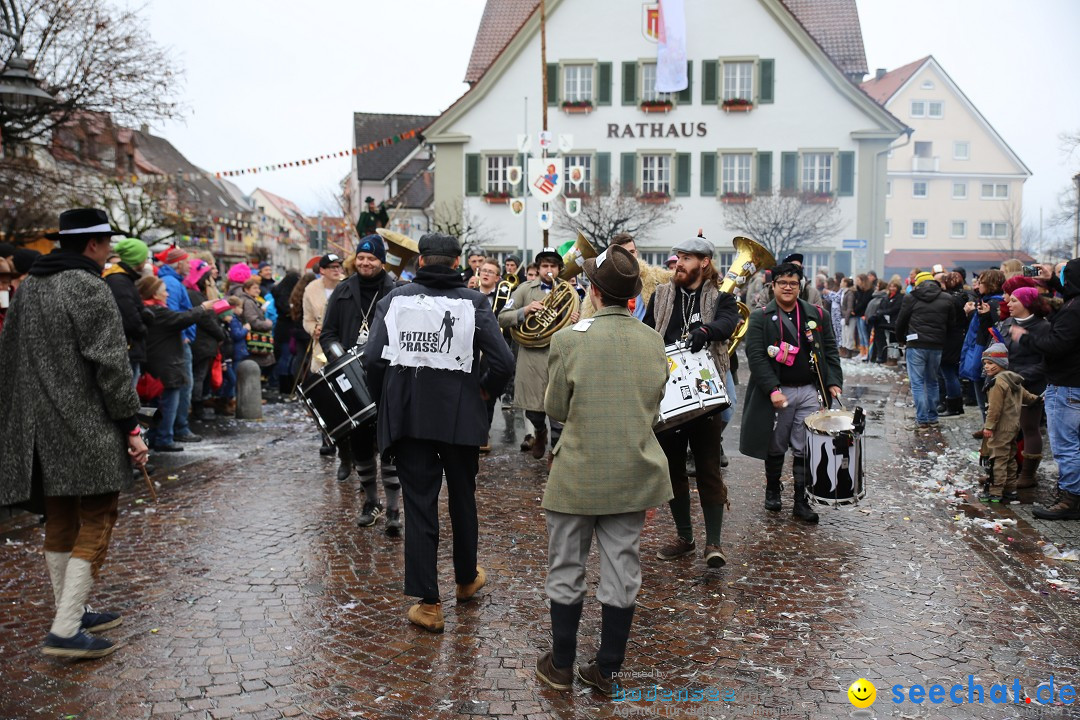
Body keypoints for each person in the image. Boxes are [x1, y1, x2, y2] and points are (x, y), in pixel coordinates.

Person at [0, 208, 148, 659]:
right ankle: (66, 627)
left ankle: (74, 611)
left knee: (61, 516)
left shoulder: (28, 289)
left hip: (35, 427)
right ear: (93, 245)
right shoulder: (88, 287)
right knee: (99, 515)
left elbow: (8, 358)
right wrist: (132, 427)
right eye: (107, 244)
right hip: (83, 425)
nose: (110, 253)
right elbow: (111, 366)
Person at [534, 244, 671, 697]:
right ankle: (607, 669)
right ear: (631, 295)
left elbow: (555, 407)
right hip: (633, 469)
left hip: (577, 471)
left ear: (593, 291)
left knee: (566, 566)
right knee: (621, 569)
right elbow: (653, 408)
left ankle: (561, 664)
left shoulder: (569, 338)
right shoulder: (653, 340)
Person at [361, 232, 514, 633]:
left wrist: (388, 396)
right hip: (460, 418)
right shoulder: (473, 300)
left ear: (421, 261)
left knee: (419, 504)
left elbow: (373, 358)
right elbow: (502, 361)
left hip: (410, 417)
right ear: (458, 261)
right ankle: (465, 578)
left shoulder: (396, 298)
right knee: (463, 497)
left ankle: (429, 604)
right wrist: (483, 389)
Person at [643, 236, 740, 565]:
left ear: (704, 263)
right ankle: (685, 536)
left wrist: (707, 331)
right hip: (667, 396)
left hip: (706, 399)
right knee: (672, 470)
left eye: (686, 257)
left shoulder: (721, 298)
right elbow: (645, 330)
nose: (679, 262)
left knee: (709, 469)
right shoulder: (660, 296)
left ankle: (714, 543)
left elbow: (729, 323)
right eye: (678, 256)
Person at [740, 262, 842, 523]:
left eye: (793, 283)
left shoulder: (818, 314)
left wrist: (832, 381)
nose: (788, 287)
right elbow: (756, 357)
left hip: (809, 390)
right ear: (773, 286)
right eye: (783, 283)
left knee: (804, 446)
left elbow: (829, 350)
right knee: (775, 444)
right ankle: (772, 489)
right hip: (778, 391)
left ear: (800, 286)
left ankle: (801, 500)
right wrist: (772, 389)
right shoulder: (761, 317)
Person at [320, 235, 402, 531]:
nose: (365, 263)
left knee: (390, 444)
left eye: (372, 258)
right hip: (351, 379)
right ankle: (371, 501)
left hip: (388, 377)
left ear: (382, 261)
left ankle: (393, 508)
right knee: (361, 445)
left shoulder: (398, 291)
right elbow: (327, 334)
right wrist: (339, 356)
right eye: (361, 258)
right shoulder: (342, 291)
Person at [1011, 259, 1080, 520]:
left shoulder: (1074, 310)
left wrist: (1025, 338)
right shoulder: (1074, 304)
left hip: (1068, 386)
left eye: (1064, 275)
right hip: (1071, 383)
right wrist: (1051, 280)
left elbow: (1057, 344)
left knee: (1066, 446)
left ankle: (1070, 500)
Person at [499, 248, 581, 462]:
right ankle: (539, 432)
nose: (549, 270)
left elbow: (581, 329)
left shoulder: (569, 292)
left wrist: (575, 321)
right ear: (538, 268)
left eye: (553, 266)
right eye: (544, 266)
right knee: (534, 411)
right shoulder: (524, 290)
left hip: (560, 355)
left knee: (558, 412)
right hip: (531, 356)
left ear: (559, 268)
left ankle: (555, 454)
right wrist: (524, 311)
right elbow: (502, 317)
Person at [139, 276, 217, 451]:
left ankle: (151, 437)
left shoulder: (146, 309)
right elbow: (182, 318)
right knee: (168, 404)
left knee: (152, 404)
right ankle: (164, 438)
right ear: (155, 294)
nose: (167, 294)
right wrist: (203, 308)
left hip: (154, 363)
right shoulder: (157, 311)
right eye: (164, 291)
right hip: (167, 364)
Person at [996, 285, 1049, 488]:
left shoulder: (1043, 326)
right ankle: (1007, 471)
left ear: (1027, 303)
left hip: (1030, 385)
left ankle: (1028, 475)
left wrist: (1020, 376)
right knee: (1007, 428)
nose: (1008, 304)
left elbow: (1046, 361)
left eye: (1014, 301)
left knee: (1029, 427)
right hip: (1005, 382)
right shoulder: (1007, 322)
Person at [975, 343, 1040, 503]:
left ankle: (995, 492)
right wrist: (1038, 399)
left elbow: (994, 409)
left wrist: (989, 427)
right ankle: (1011, 489)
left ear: (1001, 364)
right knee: (1010, 457)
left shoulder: (997, 383)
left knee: (997, 458)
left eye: (990, 363)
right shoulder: (1013, 380)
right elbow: (1028, 397)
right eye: (985, 363)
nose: (987, 367)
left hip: (1000, 427)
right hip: (1013, 427)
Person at [895, 271, 956, 429]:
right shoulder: (947, 298)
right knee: (932, 381)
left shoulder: (912, 297)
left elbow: (901, 320)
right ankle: (933, 417)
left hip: (915, 344)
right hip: (936, 345)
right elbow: (952, 324)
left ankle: (922, 418)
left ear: (918, 283)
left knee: (917, 383)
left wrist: (901, 338)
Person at [156, 247, 202, 445]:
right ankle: (179, 428)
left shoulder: (173, 282)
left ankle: (177, 427)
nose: (189, 265)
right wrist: (183, 335)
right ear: (178, 264)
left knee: (183, 386)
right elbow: (173, 314)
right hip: (178, 343)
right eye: (186, 262)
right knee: (183, 386)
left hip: (179, 340)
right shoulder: (172, 284)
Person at [580, 233, 670, 322]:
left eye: (632, 252)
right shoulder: (598, 285)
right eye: (623, 253)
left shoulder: (655, 277)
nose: (629, 257)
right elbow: (587, 318)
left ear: (636, 252)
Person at [102, 238, 150, 386]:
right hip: (127, 348)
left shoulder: (122, 278)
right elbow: (128, 317)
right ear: (138, 259)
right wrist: (143, 328)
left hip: (129, 348)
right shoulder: (119, 281)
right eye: (145, 257)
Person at [184, 261, 226, 420]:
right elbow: (206, 319)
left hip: (202, 341)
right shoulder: (195, 295)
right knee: (198, 377)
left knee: (198, 376)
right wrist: (221, 334)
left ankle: (197, 407)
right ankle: (197, 410)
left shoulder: (192, 293)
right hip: (202, 342)